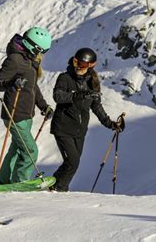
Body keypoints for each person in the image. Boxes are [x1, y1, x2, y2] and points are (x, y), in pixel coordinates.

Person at [50, 48, 122, 192]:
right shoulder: (65, 78)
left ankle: (53, 184)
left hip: (80, 131)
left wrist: (111, 124)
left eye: (81, 64)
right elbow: (58, 96)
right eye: (76, 61)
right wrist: (79, 95)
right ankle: (60, 189)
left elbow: (96, 106)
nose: (77, 66)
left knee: (71, 163)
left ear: (90, 66)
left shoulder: (93, 82)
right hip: (63, 128)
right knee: (73, 162)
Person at [0, 27, 53, 184]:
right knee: (30, 151)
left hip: (26, 115)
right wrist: (13, 83)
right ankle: (20, 182)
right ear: (35, 47)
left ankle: (4, 180)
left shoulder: (29, 61)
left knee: (16, 149)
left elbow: (33, 87)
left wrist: (43, 106)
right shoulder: (15, 60)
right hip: (15, 114)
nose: (42, 54)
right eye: (43, 51)